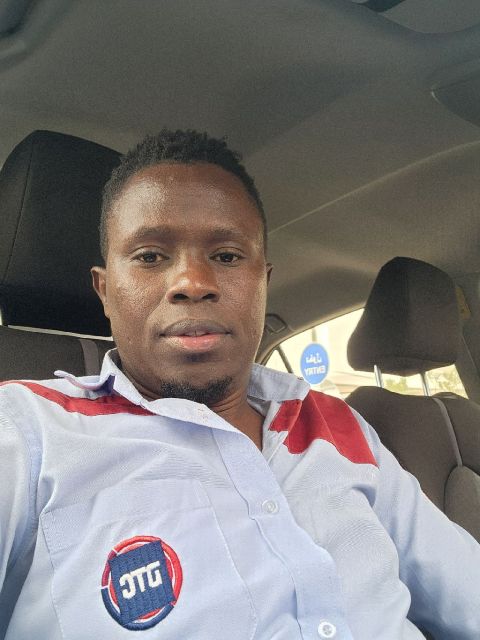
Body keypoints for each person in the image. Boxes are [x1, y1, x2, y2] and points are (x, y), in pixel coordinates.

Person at [0, 129, 479, 640]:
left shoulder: (340, 426)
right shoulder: (27, 434)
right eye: (150, 256)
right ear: (105, 290)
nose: (192, 283)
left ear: (263, 282)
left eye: (227, 256)